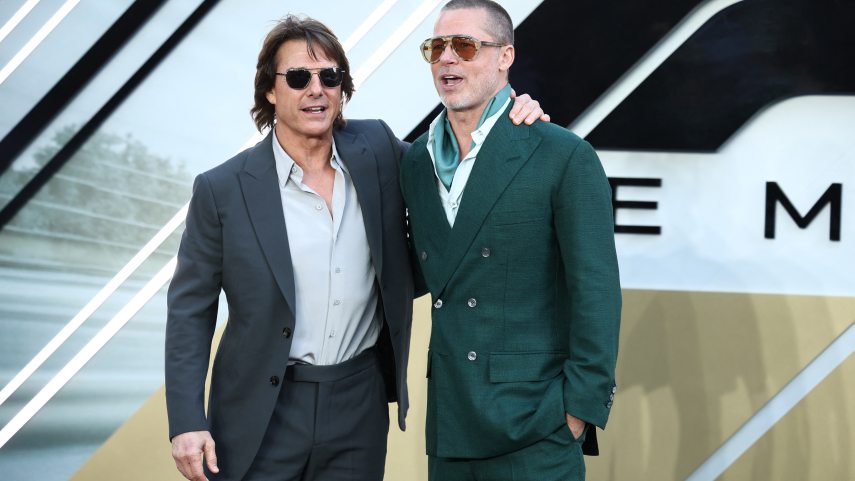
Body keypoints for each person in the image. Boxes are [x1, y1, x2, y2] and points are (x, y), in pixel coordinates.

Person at [164, 14, 546, 481]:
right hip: (262, 408)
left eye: (330, 77)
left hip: (358, 402)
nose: (316, 90)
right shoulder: (222, 189)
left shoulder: (378, 149)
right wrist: (186, 420)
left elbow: (458, 162)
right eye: (298, 77)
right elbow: (190, 312)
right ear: (270, 90)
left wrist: (511, 113)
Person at [399, 1, 622, 480]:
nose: (447, 58)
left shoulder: (561, 154)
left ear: (505, 57)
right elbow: (422, 269)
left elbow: (596, 291)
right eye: (436, 47)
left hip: (537, 423)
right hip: (451, 421)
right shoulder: (417, 161)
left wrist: (578, 411)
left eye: (465, 46)